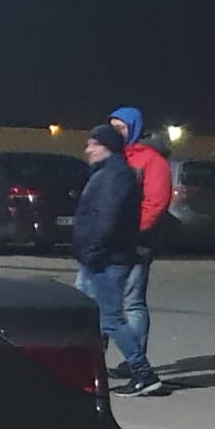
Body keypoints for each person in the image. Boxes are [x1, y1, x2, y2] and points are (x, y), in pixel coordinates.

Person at [73, 125, 163, 397]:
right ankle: (88, 371)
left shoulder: (115, 176)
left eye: (93, 144)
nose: (88, 149)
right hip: (102, 256)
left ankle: (143, 373)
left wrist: (93, 252)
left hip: (108, 258)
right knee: (95, 317)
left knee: (109, 319)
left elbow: (106, 220)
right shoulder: (108, 173)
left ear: (108, 147)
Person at [105, 108, 173, 378]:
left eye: (121, 128)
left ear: (133, 128)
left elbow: (155, 202)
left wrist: (130, 231)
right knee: (101, 301)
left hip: (136, 242)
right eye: (112, 127)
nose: (116, 133)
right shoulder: (113, 156)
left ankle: (134, 362)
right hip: (108, 241)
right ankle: (100, 359)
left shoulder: (151, 161)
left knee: (131, 301)